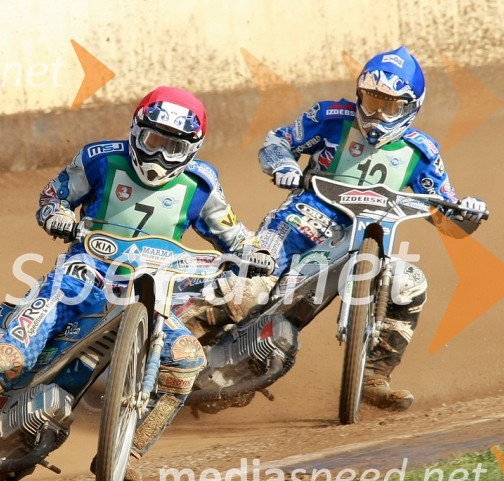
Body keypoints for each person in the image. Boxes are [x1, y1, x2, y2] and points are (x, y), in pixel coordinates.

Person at [0, 86, 274, 481]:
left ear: (192, 148)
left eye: (172, 146)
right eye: (154, 140)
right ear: (136, 130)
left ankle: (131, 451)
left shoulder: (203, 184)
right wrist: (56, 215)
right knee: (8, 356)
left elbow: (235, 237)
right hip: (79, 278)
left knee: (187, 359)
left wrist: (256, 254)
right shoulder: (99, 159)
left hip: (151, 292)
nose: (159, 155)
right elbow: (53, 195)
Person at [183, 46, 487, 411]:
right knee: (251, 281)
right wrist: (283, 164)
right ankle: (175, 348)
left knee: (409, 284)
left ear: (410, 107)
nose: (376, 114)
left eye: (389, 106)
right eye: (371, 100)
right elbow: (278, 140)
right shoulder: (330, 116)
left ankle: (374, 376)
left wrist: (465, 212)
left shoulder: (422, 152)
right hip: (301, 219)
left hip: (370, 235)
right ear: (359, 94)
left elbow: (444, 212)